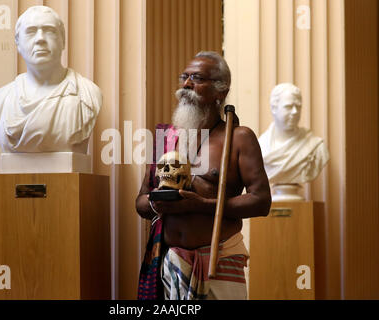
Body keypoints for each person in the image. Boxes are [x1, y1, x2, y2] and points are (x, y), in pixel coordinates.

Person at [136, 51, 271, 300]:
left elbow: (261, 201)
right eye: (184, 77)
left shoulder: (239, 137)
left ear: (221, 91)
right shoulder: (166, 138)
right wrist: (158, 202)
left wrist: (203, 205)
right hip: (171, 260)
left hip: (219, 261)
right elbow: (141, 202)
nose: (186, 84)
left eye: (197, 78)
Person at [0, 5, 102, 153]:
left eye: (49, 31)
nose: (40, 38)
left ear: (63, 41)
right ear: (18, 43)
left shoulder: (87, 95)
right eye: (31, 32)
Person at [258, 83, 329, 185]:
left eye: (298, 106)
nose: (295, 111)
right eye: (289, 106)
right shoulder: (261, 146)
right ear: (274, 108)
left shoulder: (315, 146)